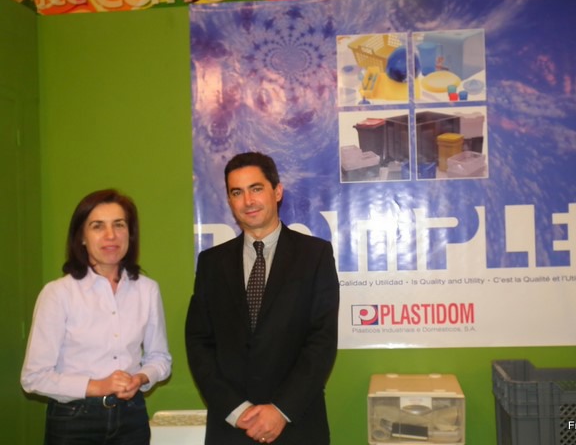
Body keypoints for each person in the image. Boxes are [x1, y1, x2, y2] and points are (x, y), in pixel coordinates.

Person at [185, 152, 340, 444]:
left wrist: (281, 410)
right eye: (237, 192)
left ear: (277, 191)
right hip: (231, 427)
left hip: (297, 424)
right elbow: (199, 342)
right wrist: (237, 410)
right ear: (229, 201)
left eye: (256, 189)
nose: (248, 201)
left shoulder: (314, 255)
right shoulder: (211, 263)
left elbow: (321, 340)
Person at [21, 189, 172, 445]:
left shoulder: (147, 290)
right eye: (97, 226)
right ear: (81, 237)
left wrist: (140, 378)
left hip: (132, 417)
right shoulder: (58, 294)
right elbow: (33, 378)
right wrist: (99, 385)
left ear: (130, 234)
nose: (110, 235)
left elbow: (160, 359)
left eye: (119, 225)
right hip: (73, 420)